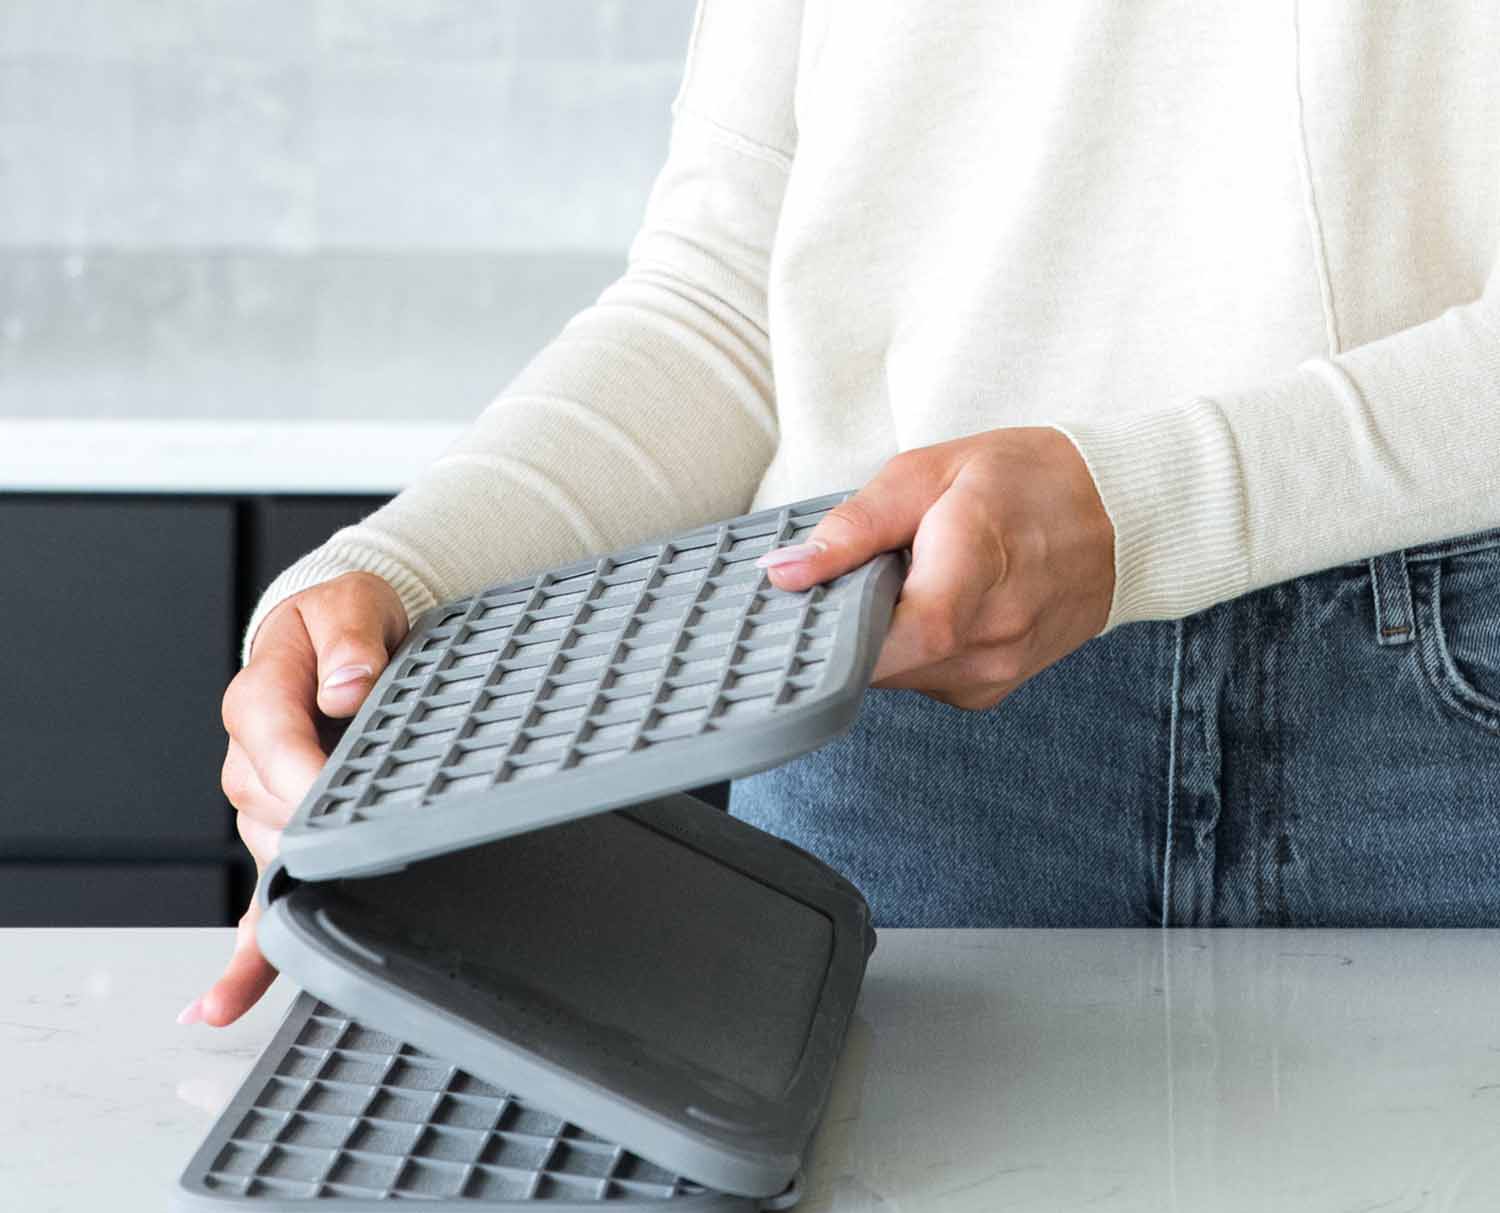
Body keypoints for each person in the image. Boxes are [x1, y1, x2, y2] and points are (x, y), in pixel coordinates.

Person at [181, 2, 1500, 1028]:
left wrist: (1147, 512)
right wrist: (395, 577)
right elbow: (731, 301)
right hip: (900, 703)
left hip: (1437, 706)